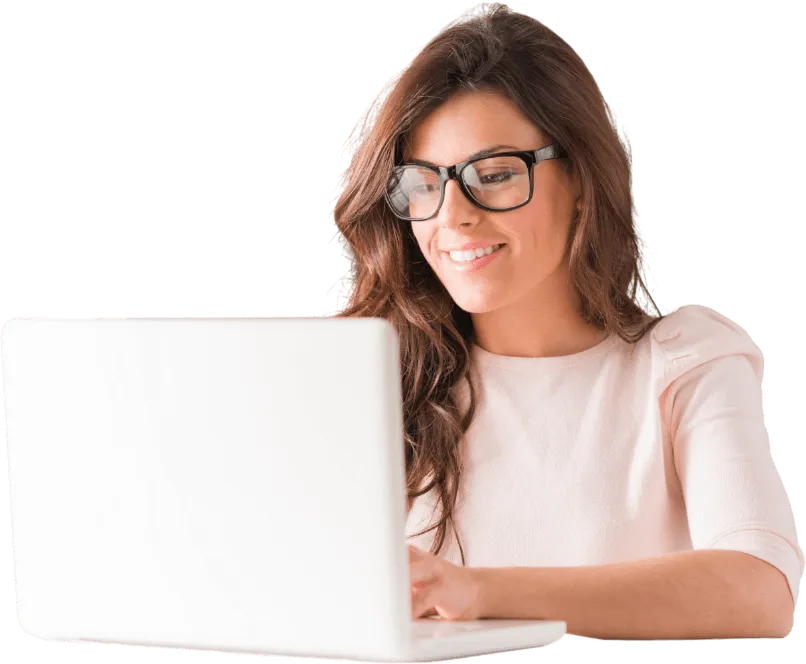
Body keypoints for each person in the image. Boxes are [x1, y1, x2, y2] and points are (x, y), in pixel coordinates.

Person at [328, 2, 801, 641]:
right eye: (422, 184)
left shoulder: (683, 359)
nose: (452, 215)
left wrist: (480, 592)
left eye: (494, 175)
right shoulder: (375, 380)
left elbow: (760, 591)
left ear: (580, 177)